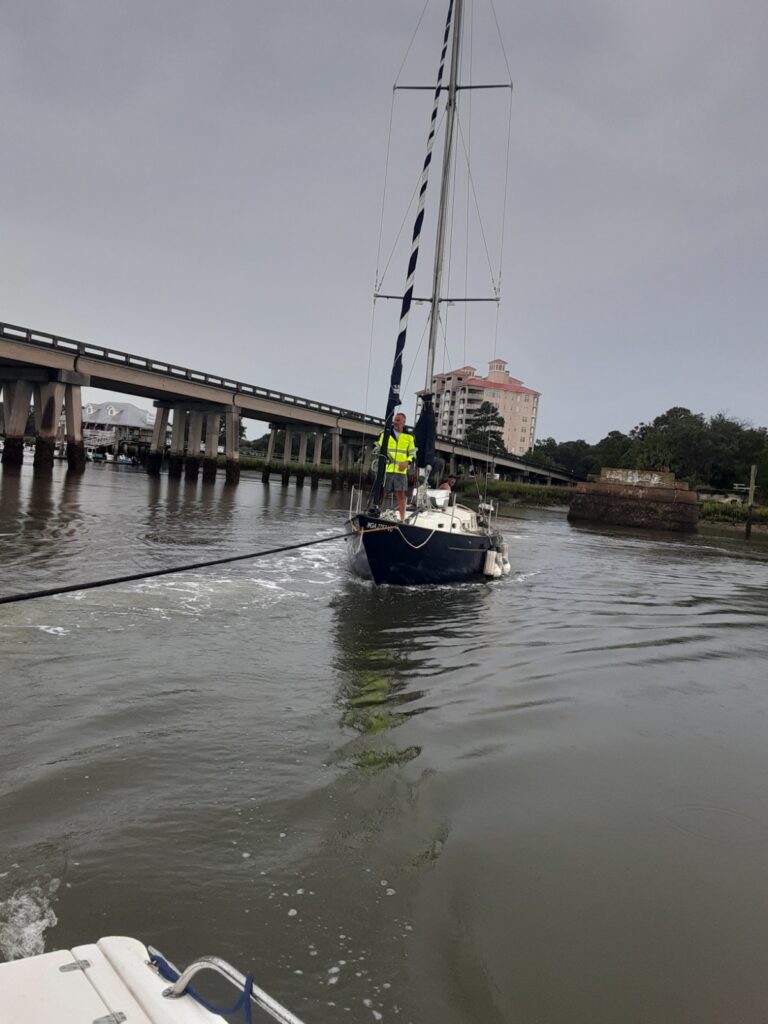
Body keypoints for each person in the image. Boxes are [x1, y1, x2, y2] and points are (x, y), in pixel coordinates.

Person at [375, 412, 415, 521]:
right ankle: (376, 513)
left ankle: (402, 519)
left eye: (398, 420)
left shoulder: (409, 437)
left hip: (401, 471)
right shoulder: (385, 434)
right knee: (381, 492)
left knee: (401, 495)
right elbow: (378, 449)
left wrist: (407, 462)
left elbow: (413, 454)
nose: (396, 422)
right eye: (395, 420)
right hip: (387, 469)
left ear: (403, 422)